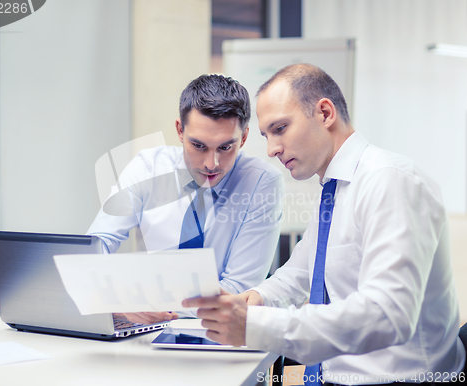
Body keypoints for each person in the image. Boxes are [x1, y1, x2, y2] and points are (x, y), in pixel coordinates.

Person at [183, 64, 466, 385]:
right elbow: (300, 273)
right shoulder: (333, 190)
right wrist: (253, 300)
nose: (271, 149)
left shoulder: (390, 181)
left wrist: (256, 325)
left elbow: (389, 315)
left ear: (325, 113)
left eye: (280, 129)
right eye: (266, 135)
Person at [88, 74, 284, 325]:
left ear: (243, 138)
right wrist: (117, 302)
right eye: (198, 145)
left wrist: (144, 302)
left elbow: (237, 290)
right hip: (148, 332)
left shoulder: (262, 183)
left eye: (225, 148)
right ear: (180, 130)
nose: (211, 164)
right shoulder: (147, 168)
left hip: (220, 334)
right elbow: (96, 245)